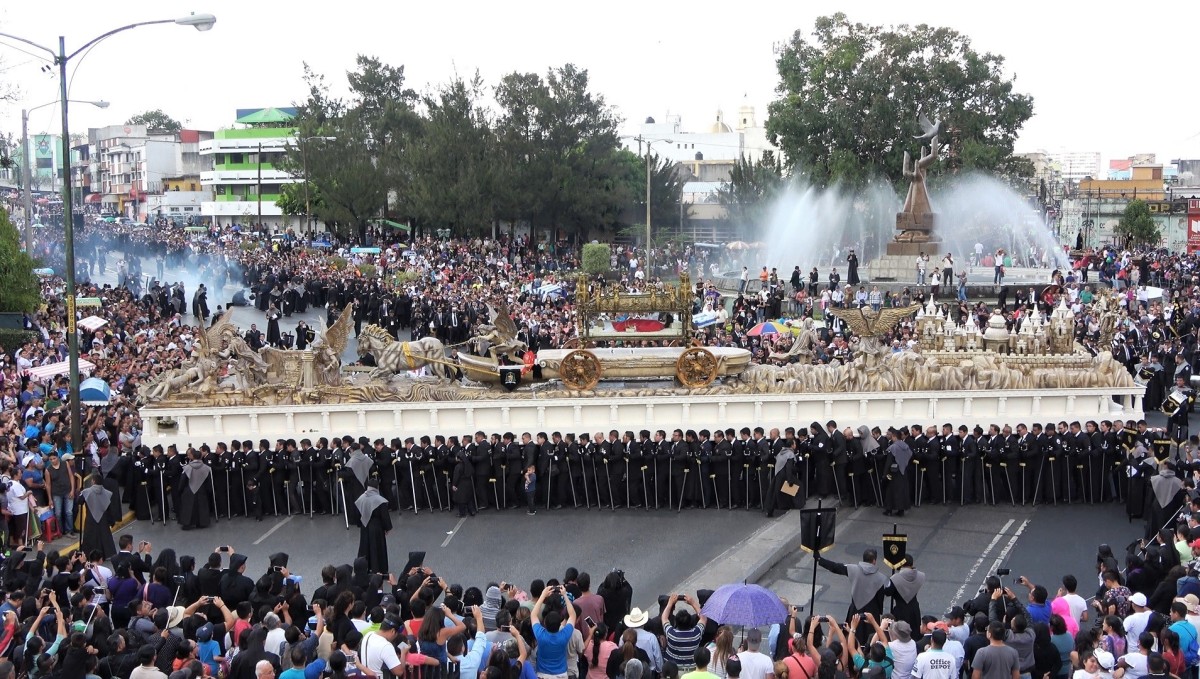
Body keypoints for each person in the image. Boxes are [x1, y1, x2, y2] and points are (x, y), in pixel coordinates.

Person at [816, 549, 889, 643]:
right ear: (874, 561)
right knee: (872, 638)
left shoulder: (853, 569)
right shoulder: (881, 578)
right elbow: (881, 597)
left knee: (853, 635)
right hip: (872, 612)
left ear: (863, 559)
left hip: (855, 609)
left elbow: (836, 567)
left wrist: (820, 560)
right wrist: (878, 610)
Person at [532, 583, 577, 679]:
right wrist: (565, 595)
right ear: (559, 624)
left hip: (542, 674)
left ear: (545, 623)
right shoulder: (564, 635)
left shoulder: (540, 635)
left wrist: (543, 595)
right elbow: (572, 615)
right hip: (561, 675)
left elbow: (533, 615)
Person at [354, 480, 391, 573]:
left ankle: (364, 568)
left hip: (365, 525)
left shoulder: (361, 498)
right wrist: (387, 527)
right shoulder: (379, 500)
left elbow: (357, 513)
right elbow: (384, 515)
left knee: (365, 547)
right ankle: (379, 568)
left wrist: (360, 524)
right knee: (377, 547)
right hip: (376, 526)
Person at [78, 474, 118, 559]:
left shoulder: (86, 492)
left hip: (90, 519)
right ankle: (107, 554)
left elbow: (79, 501)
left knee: (90, 537)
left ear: (93, 481)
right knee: (104, 536)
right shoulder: (107, 493)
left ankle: (89, 554)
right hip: (103, 519)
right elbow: (109, 508)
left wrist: (80, 492)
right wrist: (111, 521)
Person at [178, 447, 213, 531]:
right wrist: (209, 490)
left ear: (193, 457)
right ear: (201, 457)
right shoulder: (206, 468)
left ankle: (187, 524)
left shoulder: (187, 467)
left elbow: (183, 480)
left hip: (189, 489)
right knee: (201, 507)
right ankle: (201, 523)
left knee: (188, 507)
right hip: (202, 490)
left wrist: (180, 489)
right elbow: (208, 481)